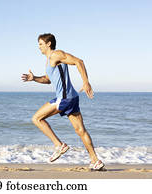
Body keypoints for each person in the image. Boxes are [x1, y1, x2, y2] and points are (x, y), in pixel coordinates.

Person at [21, 33, 104, 171]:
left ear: (48, 44)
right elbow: (48, 79)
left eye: (41, 44)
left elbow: (79, 61)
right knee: (80, 130)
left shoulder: (56, 55)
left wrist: (86, 82)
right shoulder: (49, 60)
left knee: (37, 118)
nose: (39, 47)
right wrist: (34, 78)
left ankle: (59, 145)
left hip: (65, 98)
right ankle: (95, 160)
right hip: (71, 98)